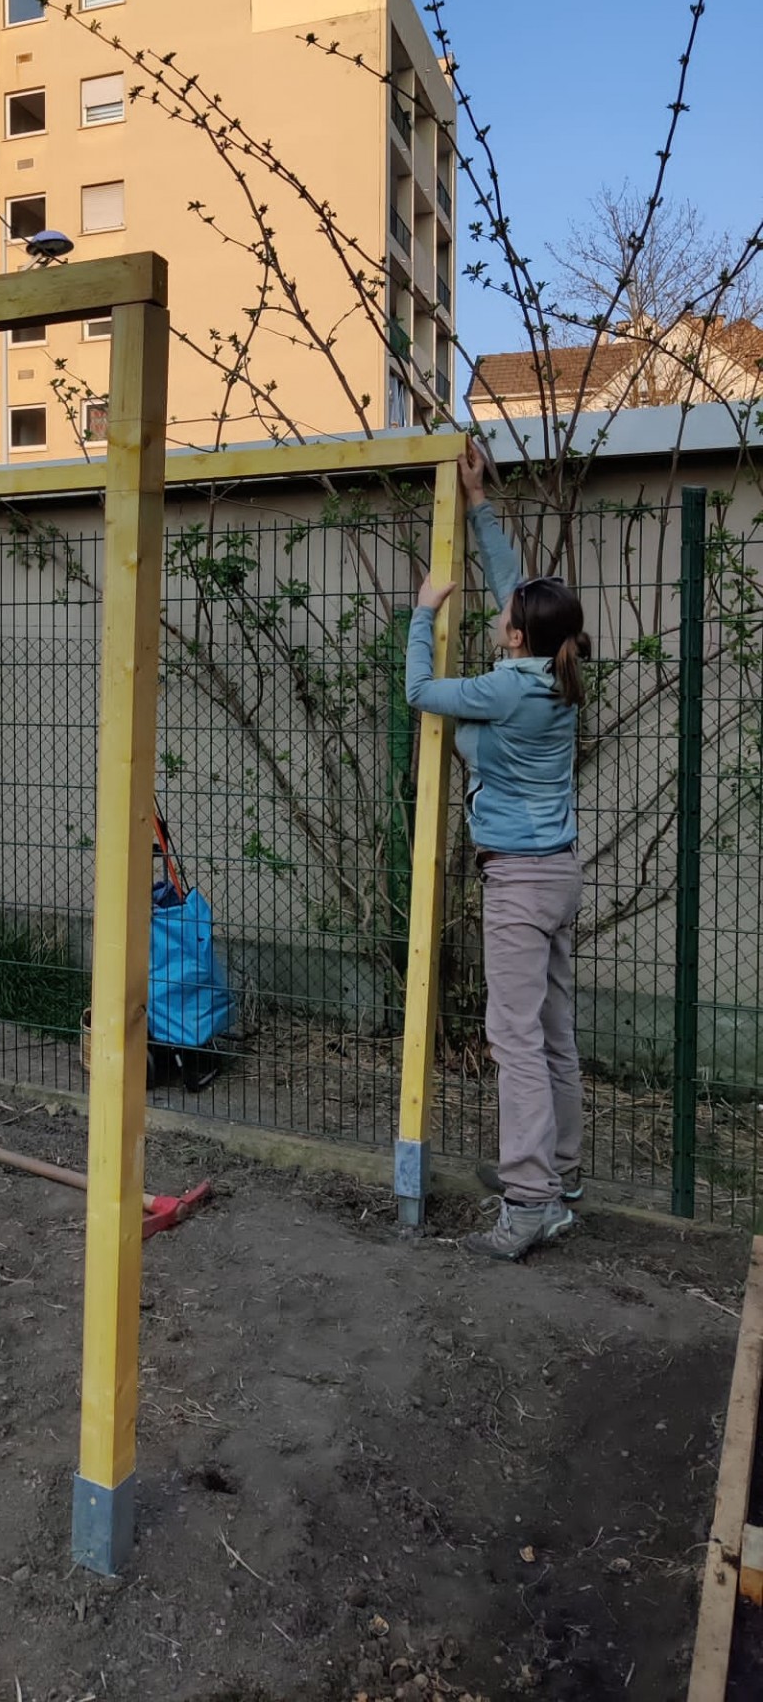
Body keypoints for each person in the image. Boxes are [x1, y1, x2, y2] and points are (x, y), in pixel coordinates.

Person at [406, 440, 592, 1262]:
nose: (498, 613)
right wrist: (479, 503)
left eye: (505, 615)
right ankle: (560, 1175)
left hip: (518, 881)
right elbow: (519, 584)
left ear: (515, 634)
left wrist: (420, 613)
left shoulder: (506, 686)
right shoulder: (556, 673)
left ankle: (530, 1201)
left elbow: (421, 693)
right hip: (558, 873)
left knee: (512, 1036)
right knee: (551, 1030)